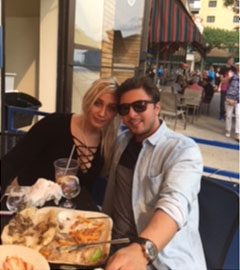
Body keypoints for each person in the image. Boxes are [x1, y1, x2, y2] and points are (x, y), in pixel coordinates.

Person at [103, 76, 206, 270]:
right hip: (115, 246)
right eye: (124, 109)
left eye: (140, 106)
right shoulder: (121, 142)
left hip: (162, 258)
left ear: (157, 108)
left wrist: (142, 249)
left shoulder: (182, 150)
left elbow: (174, 203)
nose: (131, 115)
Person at [1, 77, 119, 193]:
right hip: (30, 206)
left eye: (111, 108)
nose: (102, 113)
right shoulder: (55, 123)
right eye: (97, 103)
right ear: (88, 100)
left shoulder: (108, 144)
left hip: (70, 211)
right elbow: (11, 162)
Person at [225, 65, 240, 141]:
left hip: (239, 99)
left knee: (238, 115)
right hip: (231, 97)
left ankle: (238, 133)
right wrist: (228, 77)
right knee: (228, 115)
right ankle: (228, 130)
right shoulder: (232, 74)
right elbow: (224, 82)